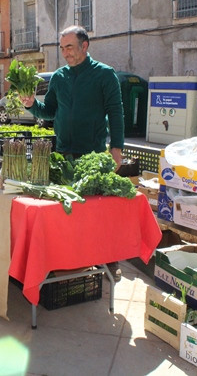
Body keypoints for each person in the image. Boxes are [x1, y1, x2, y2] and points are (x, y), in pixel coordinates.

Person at [20, 25, 125, 281]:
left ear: (84, 46)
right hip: (64, 153)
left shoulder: (104, 75)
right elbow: (50, 111)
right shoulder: (59, 77)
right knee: (69, 212)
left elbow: (117, 112)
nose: (66, 53)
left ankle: (110, 260)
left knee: (98, 212)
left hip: (93, 155)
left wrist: (117, 149)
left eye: (70, 47)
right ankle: (74, 259)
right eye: (62, 48)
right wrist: (32, 105)